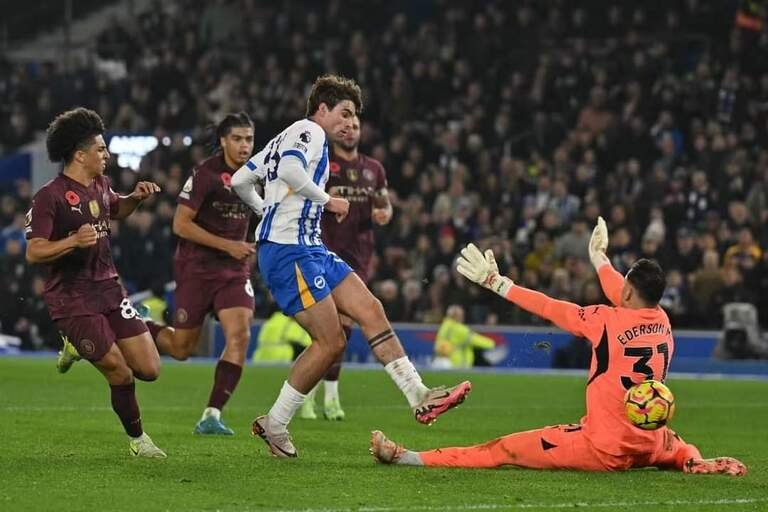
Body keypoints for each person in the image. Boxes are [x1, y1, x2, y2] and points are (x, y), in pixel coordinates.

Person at [370, 218, 747, 476]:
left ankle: (410, 458)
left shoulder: (604, 320)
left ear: (628, 291)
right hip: (651, 442)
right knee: (679, 448)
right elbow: (621, 289)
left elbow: (550, 307)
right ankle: (692, 460)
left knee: (504, 449)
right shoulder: (662, 321)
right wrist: (599, 257)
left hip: (603, 447)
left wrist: (497, 283)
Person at [232, 74, 471, 458]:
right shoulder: (309, 130)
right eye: (344, 113)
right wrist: (327, 201)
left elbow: (242, 180)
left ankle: (419, 395)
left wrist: (266, 211)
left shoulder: (287, 136)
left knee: (370, 309)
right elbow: (292, 173)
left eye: (355, 117)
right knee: (331, 342)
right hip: (290, 251)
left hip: (309, 247)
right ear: (322, 108)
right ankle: (275, 424)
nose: (349, 123)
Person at [25, 107, 166, 457]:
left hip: (109, 288)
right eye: (101, 149)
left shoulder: (101, 184)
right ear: (80, 154)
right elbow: (34, 251)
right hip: (71, 298)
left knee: (150, 369)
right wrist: (72, 241)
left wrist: (135, 198)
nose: (107, 155)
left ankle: (83, 344)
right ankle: (138, 441)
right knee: (120, 372)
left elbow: (116, 208)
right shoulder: (50, 196)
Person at [151, 112, 257, 435]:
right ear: (223, 141)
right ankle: (130, 326)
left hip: (233, 272)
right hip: (196, 268)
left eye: (249, 139)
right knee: (182, 349)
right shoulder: (206, 174)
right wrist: (228, 245)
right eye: (237, 139)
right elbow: (180, 224)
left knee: (240, 335)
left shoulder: (258, 174)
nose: (244, 146)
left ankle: (211, 414)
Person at [306, 113, 394, 420]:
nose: (351, 130)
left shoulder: (374, 170)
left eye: (356, 126)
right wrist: (328, 198)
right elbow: (305, 197)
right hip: (325, 251)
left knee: (341, 330)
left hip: (359, 256)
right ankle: (321, 396)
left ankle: (322, 396)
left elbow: (384, 204)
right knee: (330, 328)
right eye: (347, 125)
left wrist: (386, 213)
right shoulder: (323, 164)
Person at [432, 305, 495, 369]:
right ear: (457, 316)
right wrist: (492, 343)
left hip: (443, 362)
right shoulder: (460, 329)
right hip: (457, 364)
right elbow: (480, 341)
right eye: (461, 315)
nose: (462, 317)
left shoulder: (444, 326)